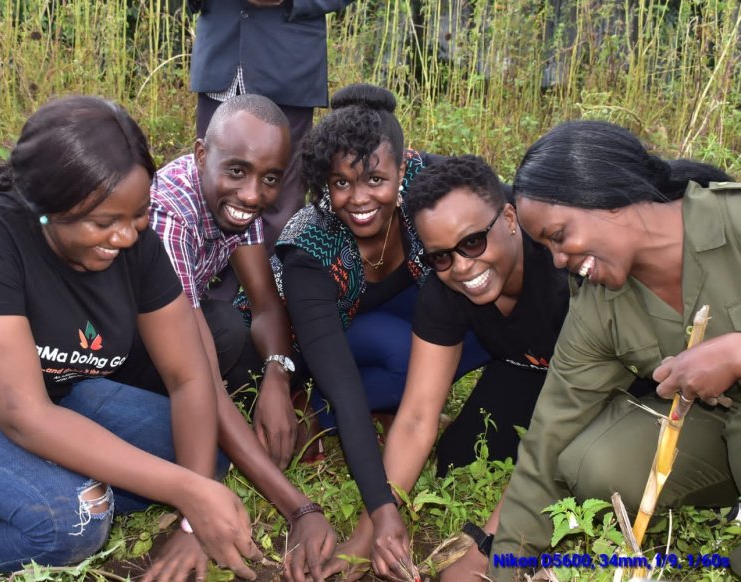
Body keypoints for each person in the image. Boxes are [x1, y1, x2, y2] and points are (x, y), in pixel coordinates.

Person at [0, 96, 264, 580]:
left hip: (56, 397)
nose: (126, 237)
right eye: (104, 222)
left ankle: (33, 483)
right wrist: (187, 489)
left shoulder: (136, 244)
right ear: (44, 208)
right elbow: (25, 417)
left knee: (204, 453)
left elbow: (187, 377)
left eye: (139, 215)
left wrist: (190, 521)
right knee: (73, 520)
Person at [235, 84, 488, 576]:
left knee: (473, 315)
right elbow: (344, 384)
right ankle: (313, 402)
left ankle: (395, 408)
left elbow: (492, 207)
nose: (360, 198)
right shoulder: (311, 246)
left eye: (375, 179)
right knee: (396, 363)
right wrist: (382, 510)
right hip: (298, 342)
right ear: (323, 184)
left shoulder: (425, 182)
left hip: (372, 313)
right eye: (341, 184)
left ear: (403, 166)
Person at [492, 119, 740, 580]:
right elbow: (550, 432)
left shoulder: (734, 221)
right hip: (719, 425)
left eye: (559, 236)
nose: (558, 260)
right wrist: (506, 563)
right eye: (545, 247)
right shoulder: (599, 302)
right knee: (595, 462)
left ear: (605, 195)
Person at [111, 93, 336, 580]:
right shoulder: (169, 215)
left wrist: (278, 378)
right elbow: (198, 378)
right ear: (199, 155)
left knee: (233, 330)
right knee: (214, 370)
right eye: (237, 171)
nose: (253, 195)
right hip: (112, 349)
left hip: (175, 332)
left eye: (270, 178)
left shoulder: (238, 204)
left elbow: (265, 304)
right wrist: (299, 509)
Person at [323, 154, 574, 580]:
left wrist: (486, 546)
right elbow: (419, 415)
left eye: (473, 242)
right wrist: (369, 534)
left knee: (577, 461)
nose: (462, 267)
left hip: (596, 383)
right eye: (440, 256)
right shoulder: (445, 288)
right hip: (528, 368)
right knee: (458, 457)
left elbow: (569, 418)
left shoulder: (562, 269)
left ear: (510, 218)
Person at [188, 0, 355, 301]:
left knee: (279, 197)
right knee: (208, 187)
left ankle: (261, 303)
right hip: (219, 54)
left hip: (286, 65)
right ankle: (202, 296)